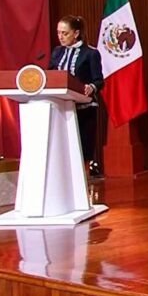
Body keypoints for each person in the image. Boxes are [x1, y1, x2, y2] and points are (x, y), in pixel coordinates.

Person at [49, 15, 103, 176]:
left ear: (76, 33)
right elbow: (51, 73)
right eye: (59, 33)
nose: (60, 37)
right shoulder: (57, 52)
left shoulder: (90, 53)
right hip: (62, 107)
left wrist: (91, 87)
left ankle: (84, 180)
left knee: (83, 146)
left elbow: (99, 80)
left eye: (65, 33)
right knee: (64, 147)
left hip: (84, 108)